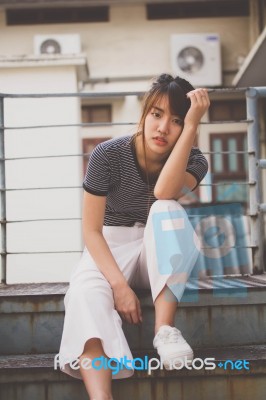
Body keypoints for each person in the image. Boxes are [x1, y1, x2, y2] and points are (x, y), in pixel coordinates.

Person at [59, 73, 210, 399]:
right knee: (85, 295)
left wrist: (194, 124)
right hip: (109, 248)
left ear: (186, 127)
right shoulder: (107, 155)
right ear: (144, 113)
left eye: (176, 121)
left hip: (158, 251)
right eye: (156, 115)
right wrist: (119, 286)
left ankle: (164, 330)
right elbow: (91, 231)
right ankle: (102, 397)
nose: (162, 128)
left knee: (165, 209)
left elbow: (164, 191)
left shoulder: (195, 160)